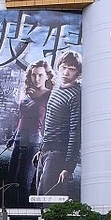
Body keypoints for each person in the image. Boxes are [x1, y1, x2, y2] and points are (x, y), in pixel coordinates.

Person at [5, 60, 55, 207]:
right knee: (11, 179)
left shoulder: (50, 96)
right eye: (34, 75)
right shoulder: (25, 93)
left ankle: (27, 215)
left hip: (35, 142)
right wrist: (13, 137)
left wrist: (43, 148)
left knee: (24, 182)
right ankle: (11, 211)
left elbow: (50, 123)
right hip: (19, 140)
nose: (37, 78)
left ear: (47, 76)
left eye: (40, 75)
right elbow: (22, 118)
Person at [35, 51, 82, 199]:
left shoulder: (76, 95)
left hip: (59, 154)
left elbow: (75, 132)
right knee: (39, 197)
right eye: (63, 67)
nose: (66, 72)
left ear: (79, 73)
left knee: (48, 200)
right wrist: (41, 149)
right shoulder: (55, 90)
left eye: (72, 69)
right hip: (45, 151)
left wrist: (68, 166)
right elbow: (49, 123)